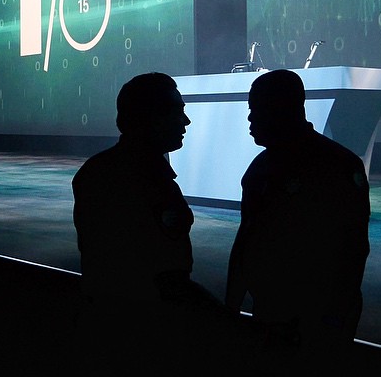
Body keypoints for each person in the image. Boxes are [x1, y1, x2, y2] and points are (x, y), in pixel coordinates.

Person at [71, 72, 275, 376]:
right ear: (151, 118)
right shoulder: (148, 182)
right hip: (147, 338)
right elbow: (165, 280)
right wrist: (231, 324)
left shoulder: (95, 172)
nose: (186, 122)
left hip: (108, 329)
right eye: (177, 111)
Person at [225, 69, 370, 375]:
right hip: (274, 311)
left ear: (283, 108)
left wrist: (334, 317)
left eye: (257, 110)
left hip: (317, 315)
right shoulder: (262, 169)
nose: (250, 120)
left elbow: (351, 250)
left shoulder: (335, 166)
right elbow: (247, 241)